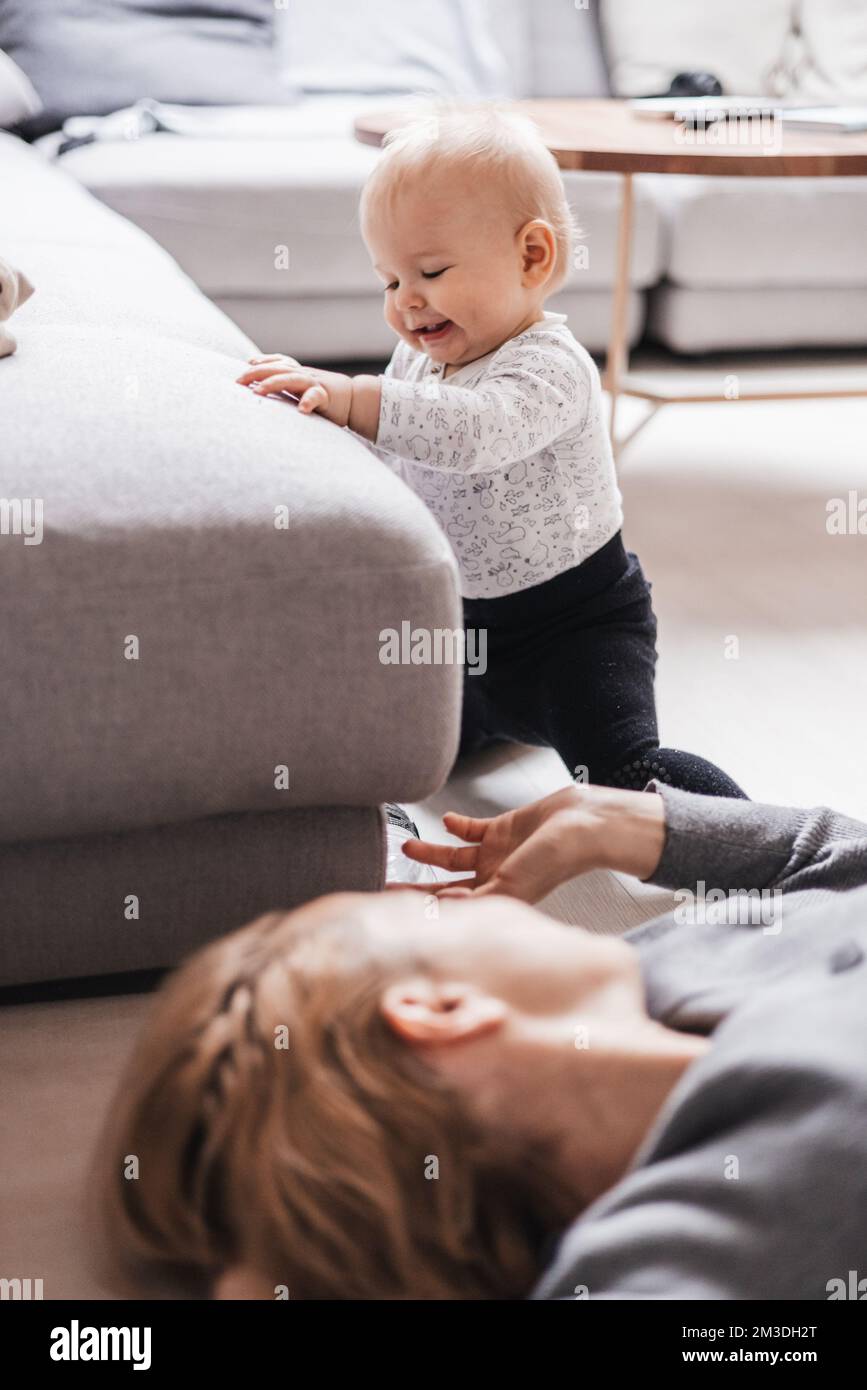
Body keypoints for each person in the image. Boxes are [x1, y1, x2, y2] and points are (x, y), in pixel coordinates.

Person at [95, 779, 867, 1300]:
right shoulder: (682, 1245)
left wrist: (642, 826)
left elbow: (840, 871)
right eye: (413, 910)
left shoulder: (659, 972)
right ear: (440, 1010)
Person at [236, 103, 745, 799]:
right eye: (389, 280)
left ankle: (770, 860)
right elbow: (396, 462)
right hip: (463, 633)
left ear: (531, 256)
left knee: (626, 776)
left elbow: (472, 432)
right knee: (377, 743)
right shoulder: (416, 361)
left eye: (431, 271)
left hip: (577, 633)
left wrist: (354, 397)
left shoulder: (551, 366)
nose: (405, 303)